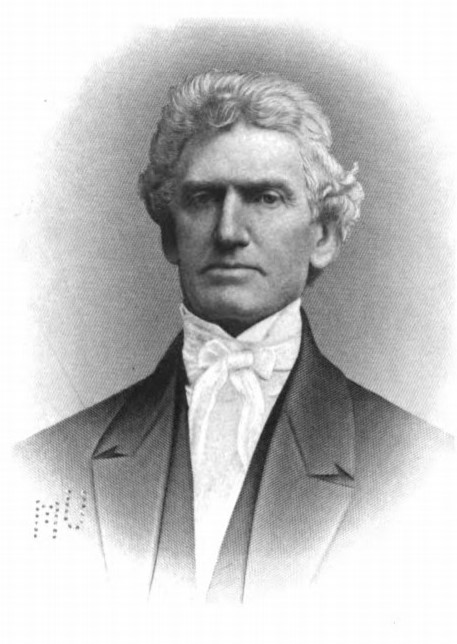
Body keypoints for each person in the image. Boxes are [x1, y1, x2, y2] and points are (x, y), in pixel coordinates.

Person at [15, 70, 451, 603]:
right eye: (203, 198)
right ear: (170, 234)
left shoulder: (426, 470)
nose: (228, 231)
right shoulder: (44, 466)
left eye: (265, 198)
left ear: (323, 236)